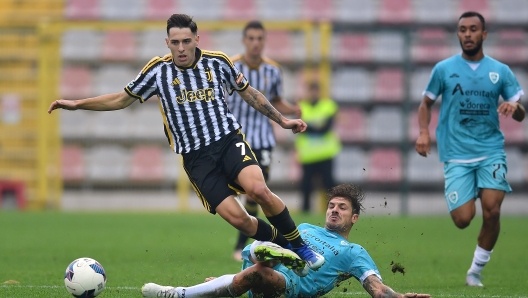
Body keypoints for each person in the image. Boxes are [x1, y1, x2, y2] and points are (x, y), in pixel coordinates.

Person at [48, 14, 324, 271]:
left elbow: (249, 93)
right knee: (239, 219)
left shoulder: (218, 62)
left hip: (228, 141)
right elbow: (121, 99)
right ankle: (284, 244)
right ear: (167, 43)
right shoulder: (158, 71)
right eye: (175, 42)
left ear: (197, 40)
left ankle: (300, 245)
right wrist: (77, 104)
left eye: (186, 41)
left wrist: (282, 121)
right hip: (197, 160)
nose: (181, 48)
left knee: (258, 189)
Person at [141, 184, 431, 298]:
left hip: (290, 287)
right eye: (331, 205)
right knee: (265, 250)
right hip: (266, 264)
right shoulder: (304, 227)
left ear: (354, 218)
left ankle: (179, 294)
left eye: (342, 208)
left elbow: (376, 289)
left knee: (258, 270)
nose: (334, 210)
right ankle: (275, 255)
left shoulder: (354, 252)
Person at [415, 11, 525, 287]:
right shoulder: (443, 69)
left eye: (473, 29)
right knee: (463, 219)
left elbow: (522, 112)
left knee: (493, 211)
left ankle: (475, 270)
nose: (467, 34)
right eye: (462, 29)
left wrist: (516, 108)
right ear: (458, 34)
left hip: (490, 150)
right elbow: (425, 103)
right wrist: (424, 132)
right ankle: (471, 189)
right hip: (456, 153)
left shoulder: (500, 71)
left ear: (484, 35)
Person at [227, 20, 301, 261]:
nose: (255, 43)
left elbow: (275, 101)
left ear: (264, 41)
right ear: (244, 40)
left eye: (260, 38)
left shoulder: (273, 70)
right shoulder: (232, 66)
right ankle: (251, 241)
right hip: (236, 138)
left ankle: (242, 246)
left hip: (263, 139)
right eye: (251, 38)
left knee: (257, 192)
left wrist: (292, 110)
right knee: (244, 193)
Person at [295, 81, 341, 212]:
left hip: (325, 153)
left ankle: (335, 211)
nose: (313, 93)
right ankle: (305, 212)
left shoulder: (328, 105)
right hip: (308, 155)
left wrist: (309, 126)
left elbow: (326, 128)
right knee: (306, 186)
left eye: (315, 90)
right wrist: (317, 127)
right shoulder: (301, 107)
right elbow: (302, 126)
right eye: (311, 90)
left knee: (329, 184)